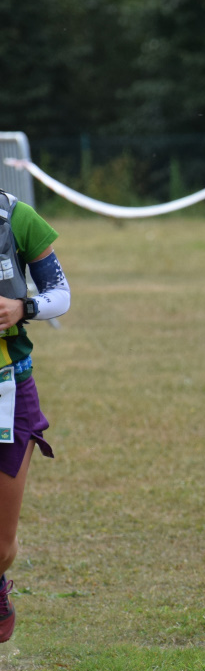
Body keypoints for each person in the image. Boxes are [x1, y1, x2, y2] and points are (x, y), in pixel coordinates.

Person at [0, 192, 71, 645]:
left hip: (9, 389)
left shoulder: (17, 217)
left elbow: (61, 294)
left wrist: (22, 307)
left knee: (2, 547)